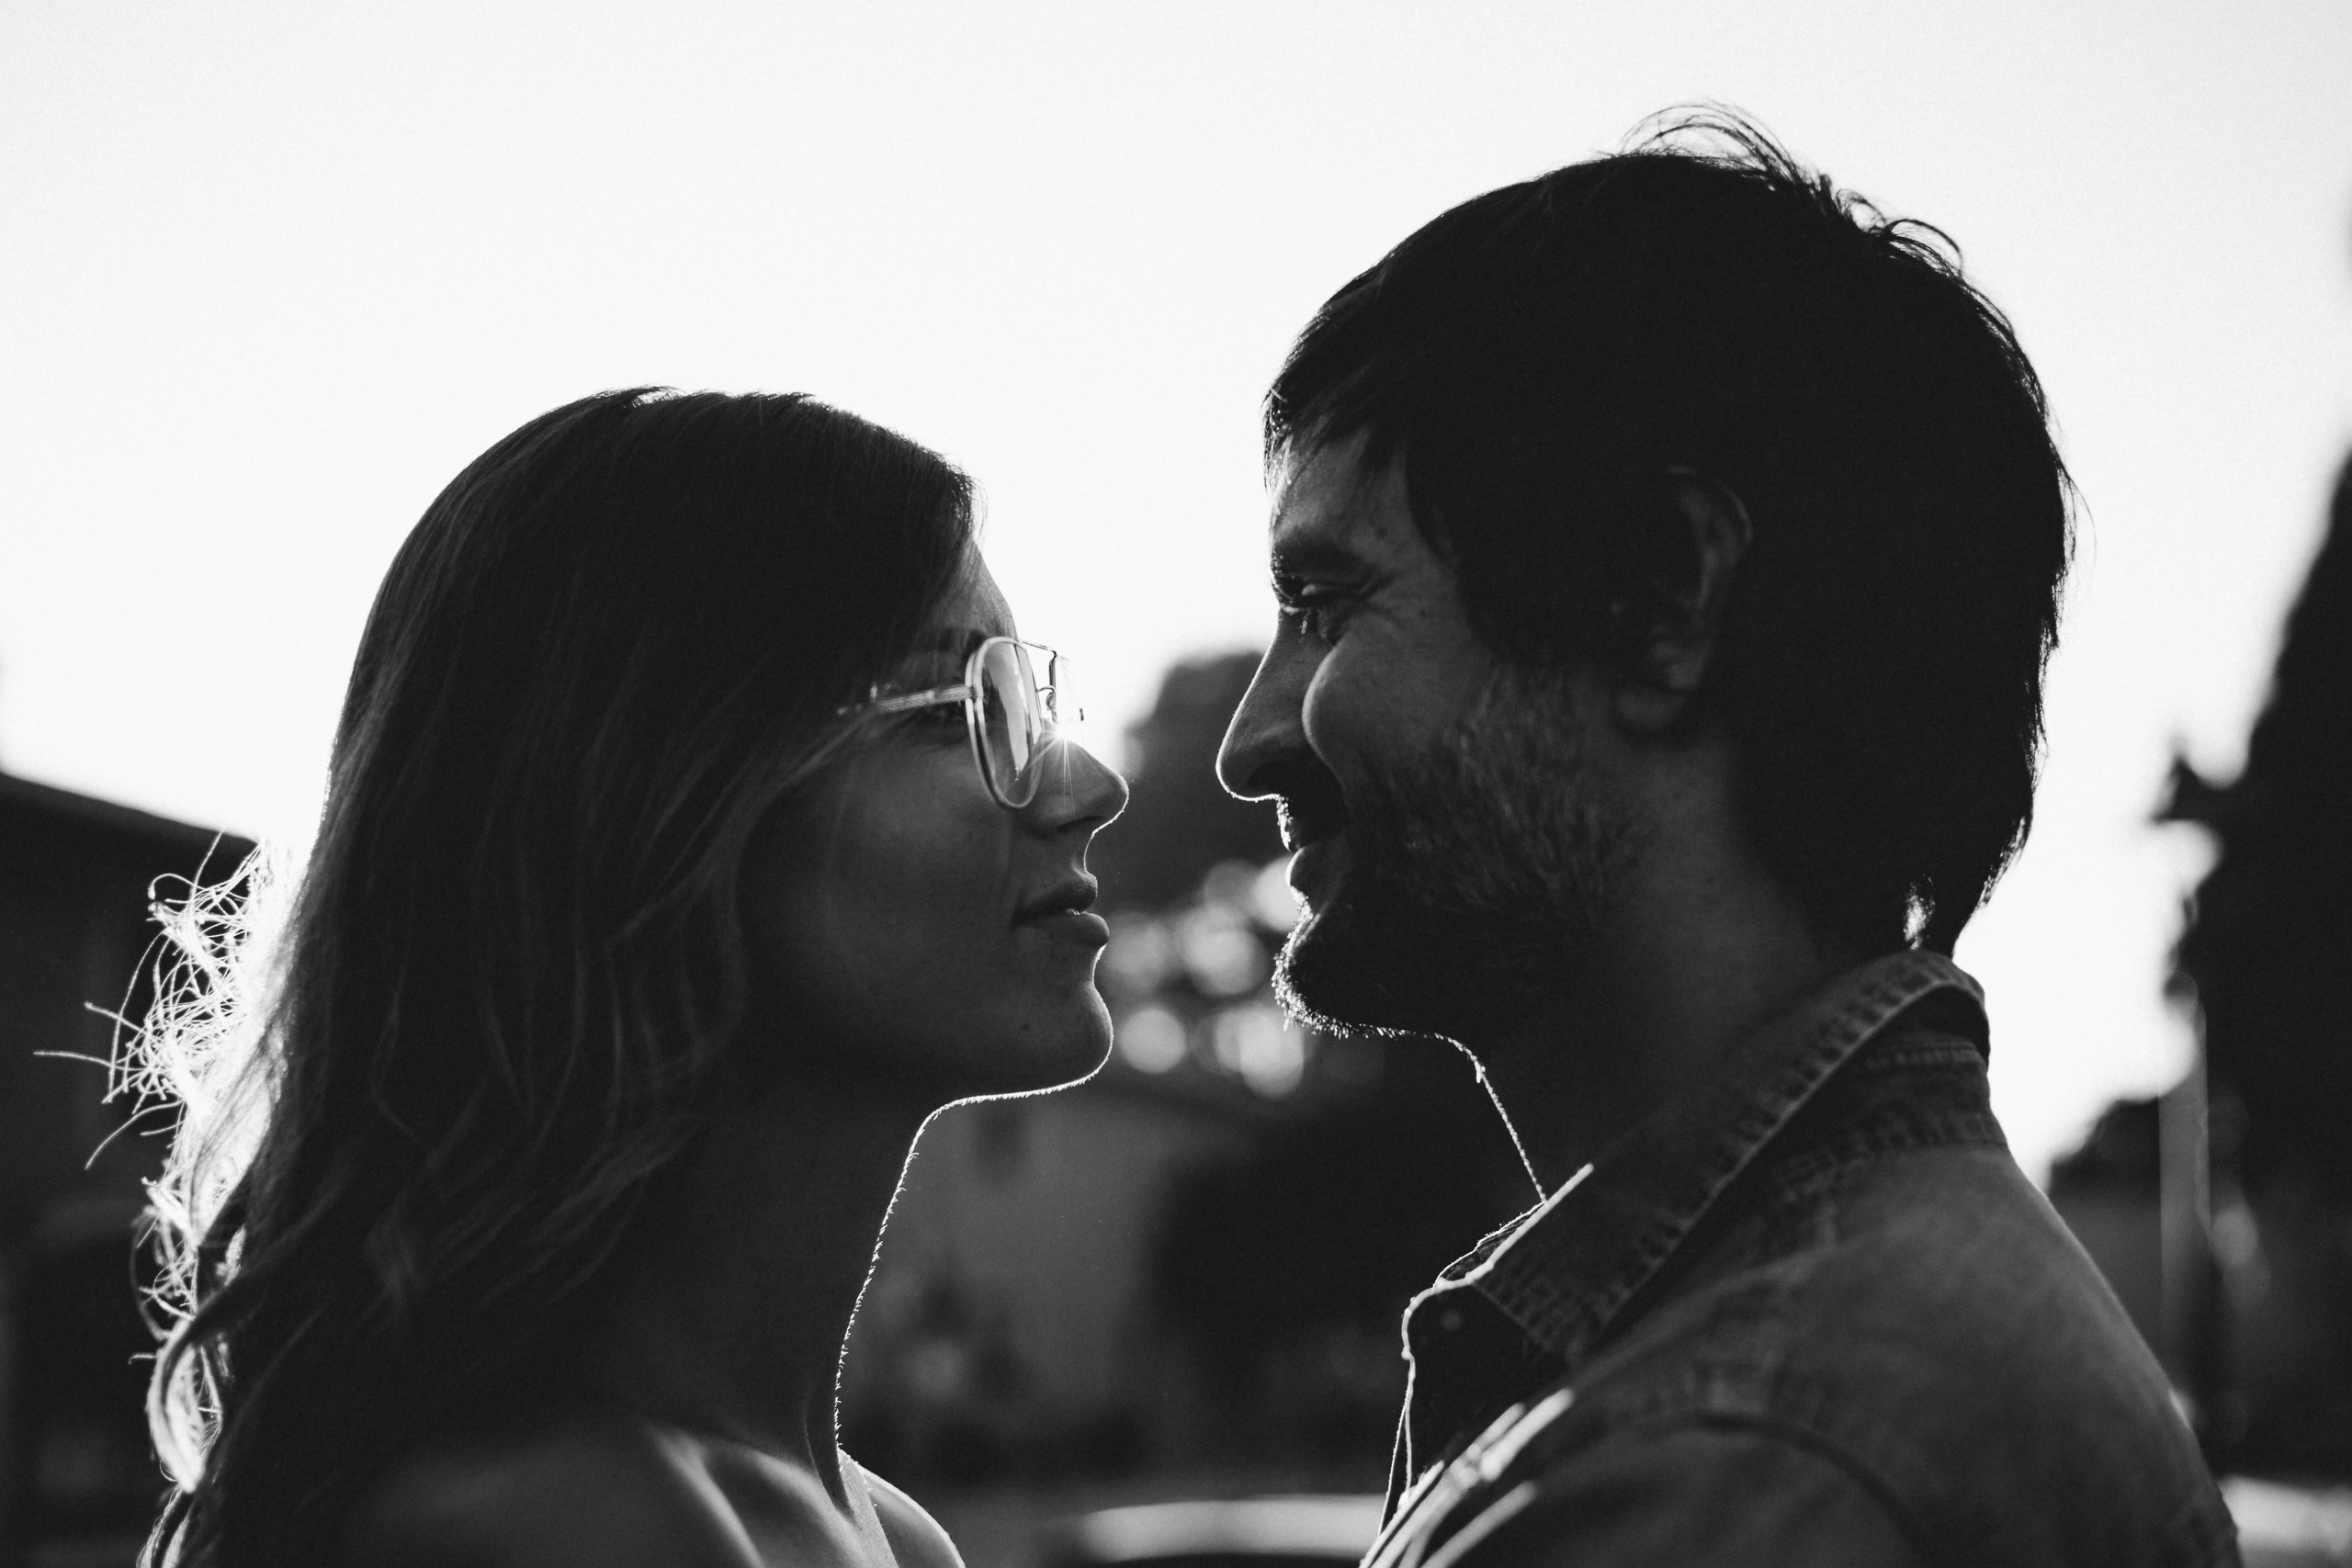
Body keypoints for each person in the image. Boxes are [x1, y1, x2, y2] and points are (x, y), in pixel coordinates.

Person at [1217, 116, 2239, 1563]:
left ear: (1660, 597)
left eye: (1327, 603)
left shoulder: (1736, 1467)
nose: (1251, 738)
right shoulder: (1804, 1354)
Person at [132, 389, 1127, 1567]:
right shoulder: (538, 1534)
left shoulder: (893, 1537)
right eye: (960, 711)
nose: (1088, 785)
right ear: (657, 799)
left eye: (1028, 701)